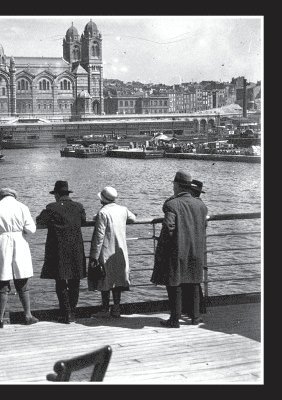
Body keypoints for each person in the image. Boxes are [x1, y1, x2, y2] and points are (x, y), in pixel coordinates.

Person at [151, 170, 208, 328]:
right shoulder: (201, 205)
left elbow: (169, 227)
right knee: (195, 283)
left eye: (174, 185)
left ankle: (174, 320)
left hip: (177, 250)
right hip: (196, 250)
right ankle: (196, 318)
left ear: (177, 185)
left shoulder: (172, 204)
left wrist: (162, 248)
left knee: (174, 284)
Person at [36, 181, 86, 324]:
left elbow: (40, 220)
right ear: (68, 194)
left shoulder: (52, 208)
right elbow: (83, 220)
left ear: (57, 195)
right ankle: (73, 312)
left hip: (58, 248)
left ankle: (66, 313)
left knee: (60, 281)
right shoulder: (78, 206)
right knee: (75, 280)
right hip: (76, 247)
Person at [88, 186, 136, 318]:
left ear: (102, 199)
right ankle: (116, 308)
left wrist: (94, 256)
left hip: (106, 250)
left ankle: (104, 309)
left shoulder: (102, 213)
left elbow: (99, 236)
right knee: (117, 280)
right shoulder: (123, 209)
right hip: (120, 251)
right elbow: (133, 218)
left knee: (105, 280)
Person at [0, 188, 38, 328]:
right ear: (14, 196)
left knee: (2, 281)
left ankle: (0, 318)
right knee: (22, 280)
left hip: (1, 242)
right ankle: (27, 315)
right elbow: (31, 229)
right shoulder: (22, 207)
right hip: (19, 243)